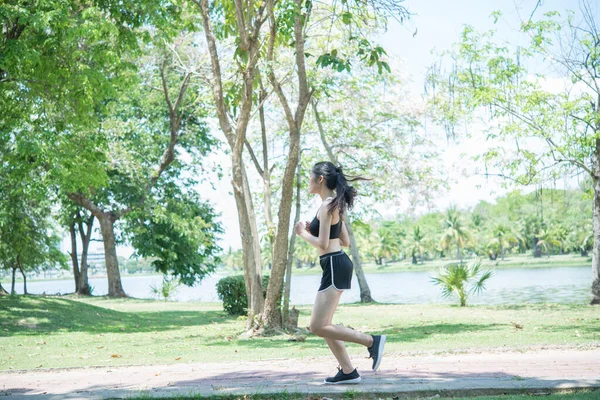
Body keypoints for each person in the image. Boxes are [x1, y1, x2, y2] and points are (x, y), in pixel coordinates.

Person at [294, 161, 386, 385]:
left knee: (317, 326)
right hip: (337, 263)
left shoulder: (327, 206)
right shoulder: (333, 205)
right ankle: (348, 371)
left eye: (310, 176)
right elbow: (343, 240)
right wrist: (314, 228)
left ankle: (371, 342)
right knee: (326, 325)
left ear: (320, 180)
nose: (308, 181)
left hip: (334, 264)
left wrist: (302, 233)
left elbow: (324, 243)